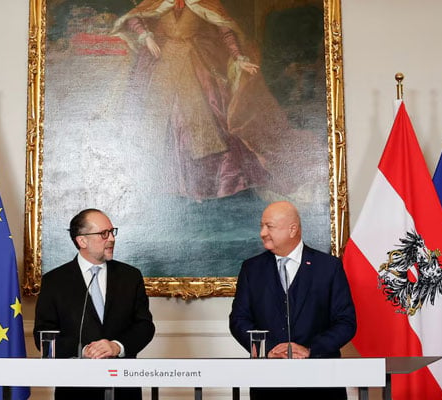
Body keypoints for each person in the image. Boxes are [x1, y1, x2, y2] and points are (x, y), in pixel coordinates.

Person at [111, 0, 312, 200]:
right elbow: (134, 17)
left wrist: (239, 57)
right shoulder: (158, 2)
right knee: (164, 122)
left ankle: (205, 186)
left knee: (207, 117)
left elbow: (225, 31)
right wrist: (146, 36)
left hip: (193, 63)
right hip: (160, 62)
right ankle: (164, 185)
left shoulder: (205, 3)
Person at [229, 201, 357, 400]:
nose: (262, 233)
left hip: (322, 384)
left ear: (293, 229)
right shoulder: (251, 269)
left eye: (269, 226)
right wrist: (269, 349)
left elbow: (346, 322)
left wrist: (309, 350)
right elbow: (238, 320)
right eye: (261, 226)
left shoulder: (329, 267)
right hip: (269, 386)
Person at [34, 208, 155, 400]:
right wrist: (83, 350)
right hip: (75, 390)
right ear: (82, 240)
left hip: (123, 389)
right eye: (103, 234)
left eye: (112, 232)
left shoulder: (130, 276)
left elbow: (145, 326)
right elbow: (44, 336)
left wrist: (117, 346)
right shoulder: (54, 281)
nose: (112, 239)